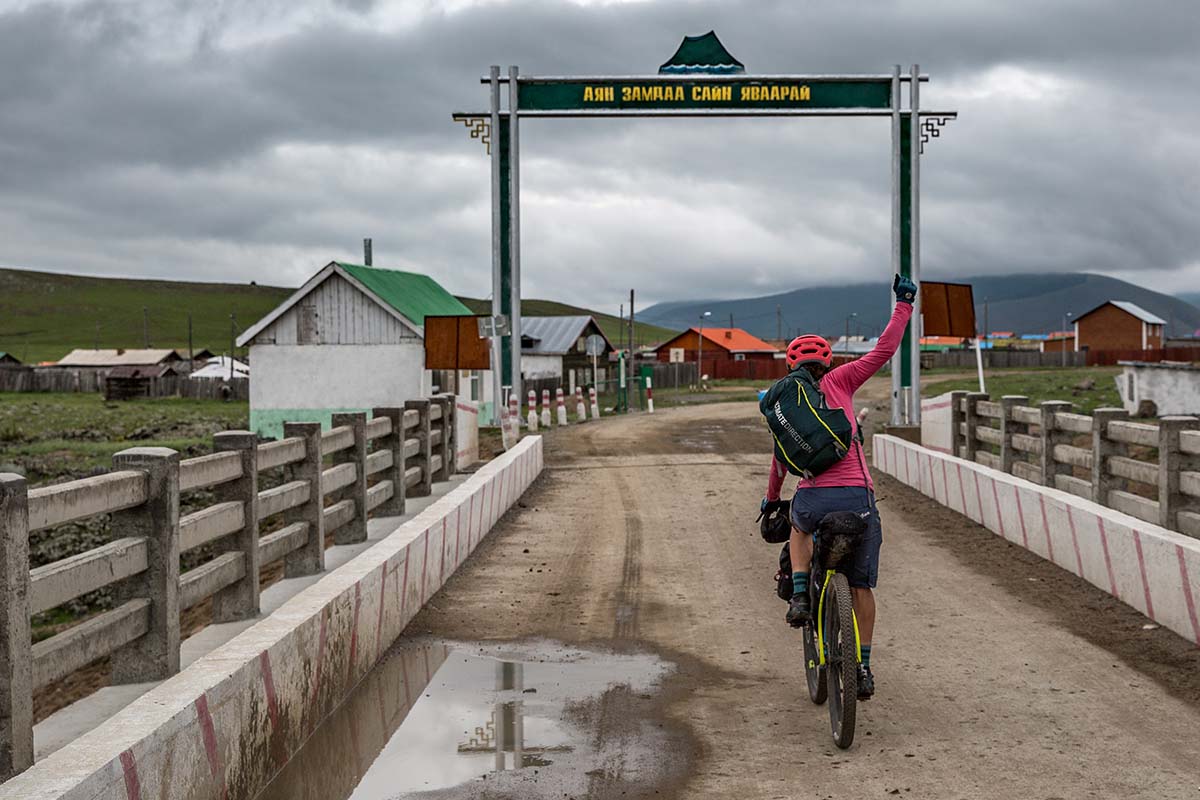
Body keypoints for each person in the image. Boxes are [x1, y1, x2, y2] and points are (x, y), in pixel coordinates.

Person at [764, 274, 917, 699]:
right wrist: (903, 303)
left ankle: (799, 594)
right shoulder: (845, 380)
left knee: (799, 527)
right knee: (862, 587)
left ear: (791, 367)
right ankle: (863, 667)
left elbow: (780, 460)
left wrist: (772, 499)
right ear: (828, 361)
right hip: (858, 498)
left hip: (813, 498)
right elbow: (885, 349)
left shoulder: (786, 402)